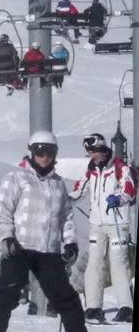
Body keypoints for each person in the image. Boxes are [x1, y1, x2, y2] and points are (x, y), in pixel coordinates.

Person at [0, 131, 85, 332]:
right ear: (31, 152)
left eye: (49, 152)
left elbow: (66, 217)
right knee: (7, 296)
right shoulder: (17, 178)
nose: (44, 157)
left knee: (67, 300)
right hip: (20, 248)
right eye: (39, 151)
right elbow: (2, 210)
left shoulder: (58, 184)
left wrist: (70, 242)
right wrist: (7, 238)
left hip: (49, 251)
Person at [70, 132, 135, 323]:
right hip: (96, 224)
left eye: (92, 150)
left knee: (118, 263)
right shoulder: (90, 170)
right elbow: (79, 190)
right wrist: (66, 197)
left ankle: (126, 308)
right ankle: (93, 308)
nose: (90, 154)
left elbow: (130, 191)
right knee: (94, 264)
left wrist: (119, 198)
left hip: (117, 223)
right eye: (88, 151)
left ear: (101, 149)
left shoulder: (119, 167)